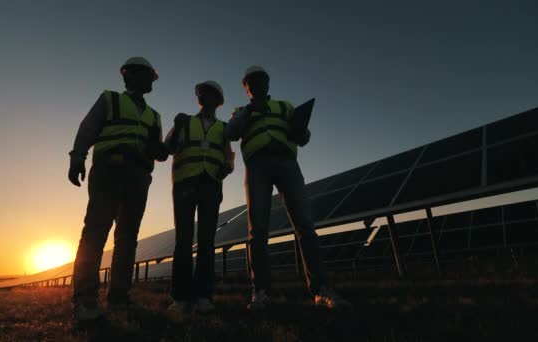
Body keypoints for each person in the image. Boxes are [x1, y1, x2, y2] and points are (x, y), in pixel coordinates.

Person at [225, 66, 352, 310]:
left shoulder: (285, 107)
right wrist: (249, 112)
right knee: (258, 229)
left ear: (267, 84)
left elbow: (303, 138)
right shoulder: (241, 111)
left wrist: (301, 129)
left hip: (287, 163)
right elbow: (231, 132)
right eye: (249, 81)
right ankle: (260, 292)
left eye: (259, 79)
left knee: (304, 224)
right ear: (246, 88)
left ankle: (320, 290)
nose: (255, 83)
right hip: (257, 166)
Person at [67, 56, 168, 323]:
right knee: (96, 233)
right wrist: (77, 157)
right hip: (109, 171)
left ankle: (119, 299)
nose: (152, 82)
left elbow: (157, 150)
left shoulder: (153, 115)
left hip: (138, 177)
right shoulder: (110, 100)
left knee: (127, 239)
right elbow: (88, 127)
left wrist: (161, 151)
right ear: (130, 75)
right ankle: (85, 301)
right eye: (148, 76)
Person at [164, 80, 234, 314]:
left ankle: (203, 295)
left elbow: (229, 157)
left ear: (218, 100)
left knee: (206, 241)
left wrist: (227, 166)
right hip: (185, 182)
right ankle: (181, 298)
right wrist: (175, 127)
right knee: (183, 239)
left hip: (211, 185)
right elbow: (168, 149)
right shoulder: (185, 121)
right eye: (200, 93)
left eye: (208, 93)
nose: (203, 96)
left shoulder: (224, 129)